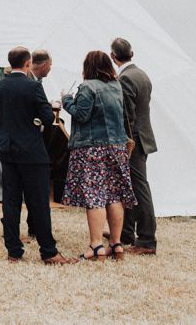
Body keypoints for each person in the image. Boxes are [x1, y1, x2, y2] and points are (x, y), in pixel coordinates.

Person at [0, 46, 77, 264]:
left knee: (11, 200)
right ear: (28, 63)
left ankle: (13, 251)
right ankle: (48, 251)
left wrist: (1, 145)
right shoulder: (33, 87)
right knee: (38, 202)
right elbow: (47, 118)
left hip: (8, 151)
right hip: (32, 153)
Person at [61, 51, 137, 260]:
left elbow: (82, 115)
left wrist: (66, 100)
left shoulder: (88, 87)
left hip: (92, 148)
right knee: (114, 196)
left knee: (94, 196)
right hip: (117, 147)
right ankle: (116, 243)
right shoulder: (116, 87)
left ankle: (96, 246)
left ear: (88, 67)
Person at [111, 37, 158, 255]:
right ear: (132, 53)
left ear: (113, 57)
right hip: (145, 136)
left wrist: (126, 142)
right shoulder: (142, 75)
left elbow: (127, 116)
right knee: (129, 186)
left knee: (139, 188)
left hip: (134, 140)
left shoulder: (125, 79)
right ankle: (127, 233)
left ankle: (147, 239)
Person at [25, 49, 53, 238]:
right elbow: (46, 116)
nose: (50, 69)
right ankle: (36, 228)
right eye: (50, 66)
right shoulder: (31, 83)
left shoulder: (35, 82)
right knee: (35, 188)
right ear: (43, 65)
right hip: (30, 142)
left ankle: (32, 227)